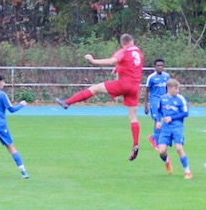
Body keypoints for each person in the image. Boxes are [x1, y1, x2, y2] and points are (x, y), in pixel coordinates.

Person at [56, 33, 144, 161]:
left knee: (95, 89)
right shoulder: (139, 53)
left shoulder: (124, 51)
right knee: (133, 116)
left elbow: (112, 61)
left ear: (122, 43)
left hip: (124, 84)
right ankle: (135, 144)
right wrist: (118, 68)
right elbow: (130, 66)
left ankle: (67, 102)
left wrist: (94, 61)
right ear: (132, 41)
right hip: (135, 87)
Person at [153, 79, 193, 179]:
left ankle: (188, 172)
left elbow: (186, 113)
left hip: (177, 126)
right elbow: (158, 111)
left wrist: (172, 118)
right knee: (161, 152)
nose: (177, 91)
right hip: (165, 128)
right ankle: (167, 160)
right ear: (169, 88)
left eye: (178, 88)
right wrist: (158, 121)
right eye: (175, 89)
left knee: (179, 148)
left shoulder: (181, 99)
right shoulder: (162, 99)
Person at [143, 58, 171, 151]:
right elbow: (146, 91)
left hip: (164, 101)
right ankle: (157, 142)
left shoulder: (166, 76)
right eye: (158, 66)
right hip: (154, 101)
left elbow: (168, 89)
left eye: (161, 66)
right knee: (157, 120)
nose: (160, 67)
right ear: (155, 67)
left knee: (166, 120)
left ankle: (153, 137)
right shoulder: (151, 77)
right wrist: (146, 105)